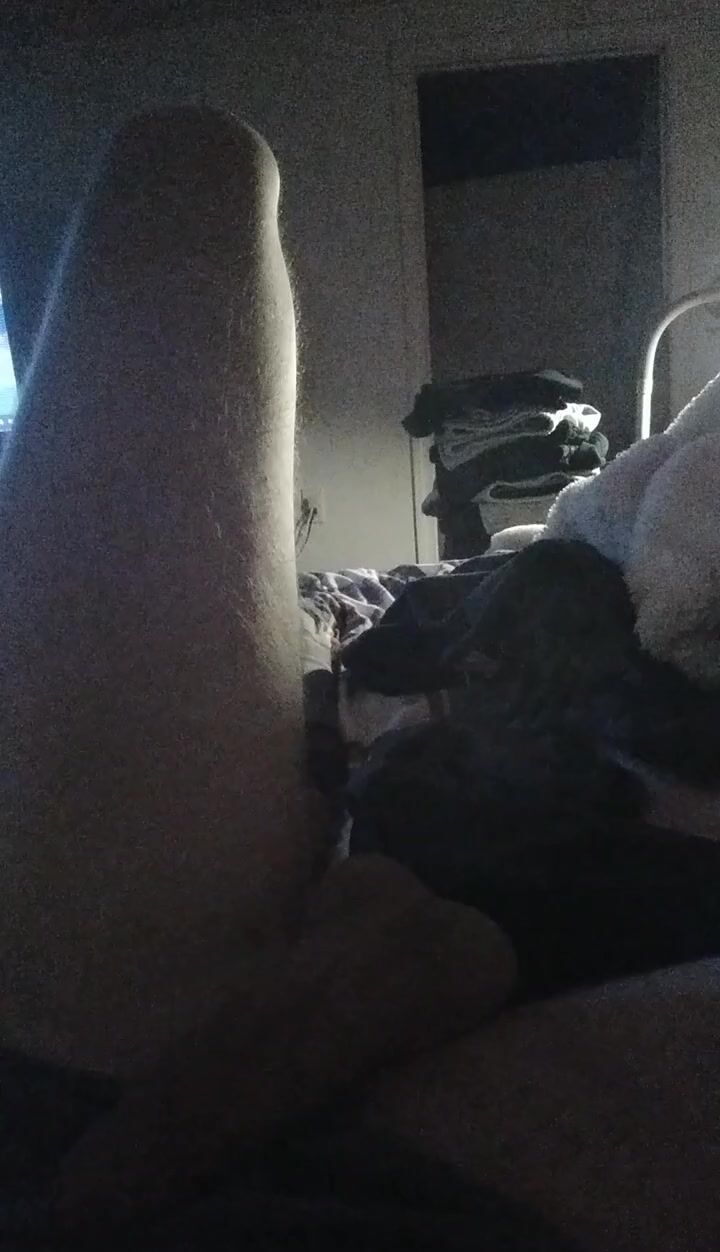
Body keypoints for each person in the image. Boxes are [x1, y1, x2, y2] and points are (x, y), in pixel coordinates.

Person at [2, 108, 719, 1251]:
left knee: (192, 160)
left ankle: (408, 908)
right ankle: (417, 911)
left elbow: (644, 541)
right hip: (123, 1082)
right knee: (193, 160)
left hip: (101, 1061)